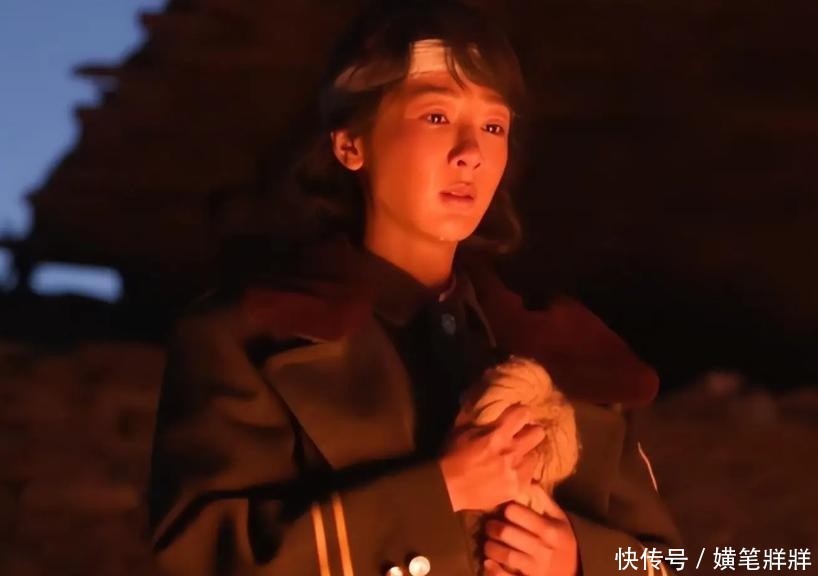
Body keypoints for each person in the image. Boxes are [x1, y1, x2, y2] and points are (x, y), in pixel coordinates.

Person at [147, 1, 683, 574]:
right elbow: (208, 554)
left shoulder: (568, 360)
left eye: (493, 126)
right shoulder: (249, 339)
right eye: (436, 116)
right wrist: (440, 492)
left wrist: (575, 560)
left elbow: (662, 561)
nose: (470, 153)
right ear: (351, 144)